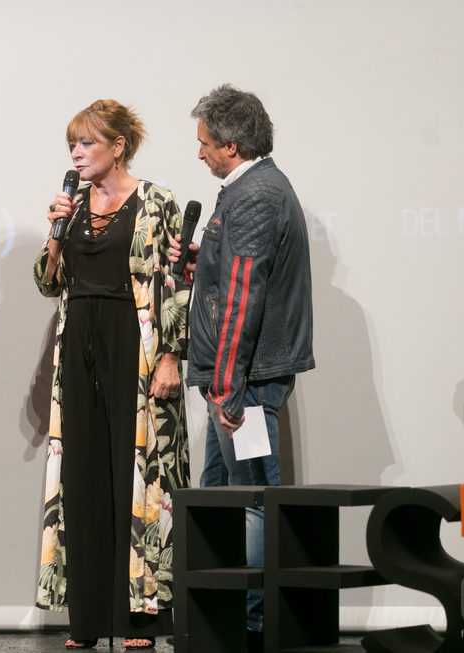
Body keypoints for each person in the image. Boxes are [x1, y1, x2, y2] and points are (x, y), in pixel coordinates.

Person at [33, 100, 191, 650]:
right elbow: (48, 282)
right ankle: (88, 619)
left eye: (88, 144)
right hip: (78, 341)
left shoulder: (157, 201)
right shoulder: (71, 206)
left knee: (137, 473)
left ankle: (139, 620)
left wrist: (172, 355)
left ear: (118, 146)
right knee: (83, 473)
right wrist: (55, 233)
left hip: (136, 341)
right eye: (72, 145)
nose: (77, 154)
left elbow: (177, 283)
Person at [175, 84, 315, 649]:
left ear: (231, 145)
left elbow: (242, 298)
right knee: (219, 494)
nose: (200, 152)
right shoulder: (248, 190)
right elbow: (230, 277)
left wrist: (229, 387)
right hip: (236, 381)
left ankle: (255, 622)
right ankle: (225, 615)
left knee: (253, 498)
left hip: (247, 384)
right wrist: (200, 261)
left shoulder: (255, 196)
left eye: (204, 143)